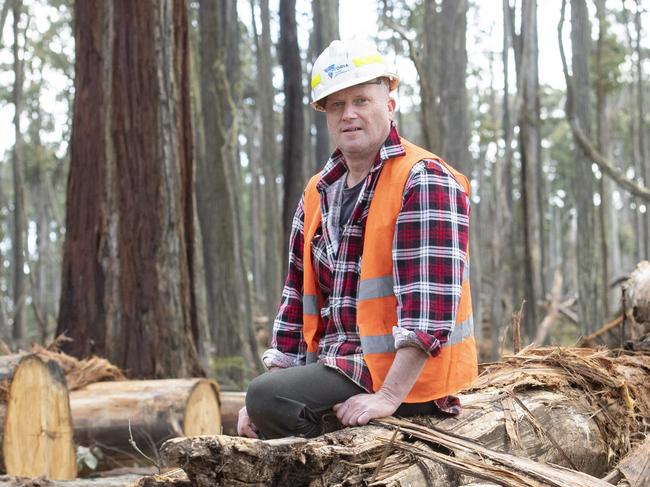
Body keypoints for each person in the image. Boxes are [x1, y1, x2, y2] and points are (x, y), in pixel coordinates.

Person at [238, 39, 478, 439]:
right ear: (325, 114)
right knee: (265, 397)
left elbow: (429, 310)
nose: (349, 114)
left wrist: (387, 397)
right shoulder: (318, 192)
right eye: (336, 105)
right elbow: (295, 302)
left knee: (268, 397)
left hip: (409, 383)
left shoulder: (423, 179)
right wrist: (262, 405)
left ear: (389, 105)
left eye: (362, 100)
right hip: (339, 368)